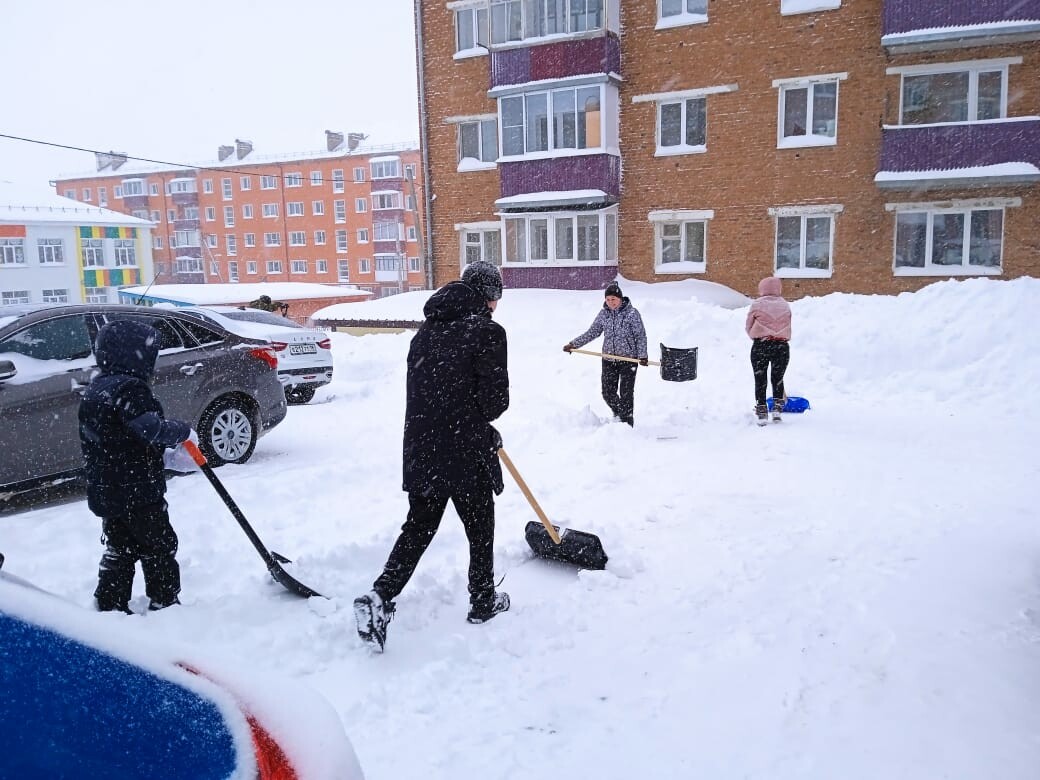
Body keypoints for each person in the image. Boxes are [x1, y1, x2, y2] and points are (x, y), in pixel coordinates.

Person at [354, 260, 510, 651]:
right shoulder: (488, 332)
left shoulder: (425, 332)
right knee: (480, 527)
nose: (496, 305)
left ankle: (380, 596)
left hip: (423, 447)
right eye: (496, 297)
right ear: (488, 296)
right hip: (465, 448)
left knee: (419, 527)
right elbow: (494, 403)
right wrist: (482, 425)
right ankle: (483, 600)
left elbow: (434, 393)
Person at [79, 319, 195, 614]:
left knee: (121, 547)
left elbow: (117, 438)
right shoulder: (130, 389)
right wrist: (182, 431)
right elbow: (149, 428)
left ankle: (110, 605)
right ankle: (165, 602)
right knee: (159, 545)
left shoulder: (97, 388)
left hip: (106, 490)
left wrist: (160, 456)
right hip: (137, 491)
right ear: (132, 354)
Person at [563, 281, 648, 426]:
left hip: (629, 360)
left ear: (620, 298)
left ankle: (627, 423)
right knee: (607, 393)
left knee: (626, 393)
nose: (610, 302)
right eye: (607, 299)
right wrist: (574, 344)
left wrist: (643, 355)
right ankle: (620, 414)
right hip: (609, 359)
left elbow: (640, 336)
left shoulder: (632, 314)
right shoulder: (604, 314)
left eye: (613, 299)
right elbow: (592, 332)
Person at [745, 276, 792, 425]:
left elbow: (748, 325)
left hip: (761, 346)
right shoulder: (785, 305)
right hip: (781, 346)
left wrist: (757, 335)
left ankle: (762, 411)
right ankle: (777, 410)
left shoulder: (757, 304)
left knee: (760, 378)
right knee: (777, 378)